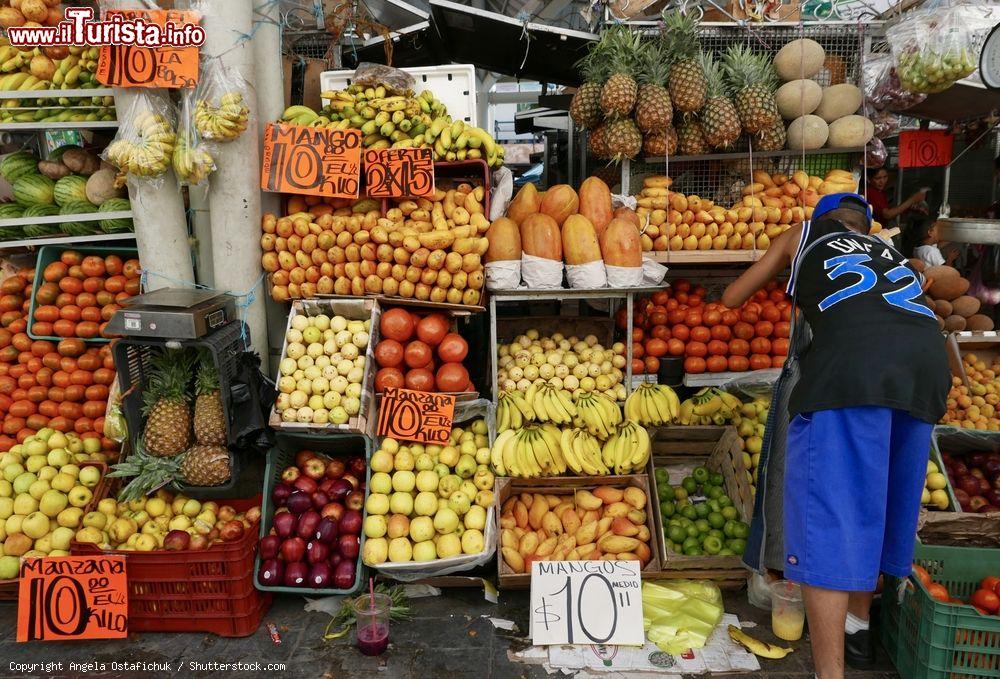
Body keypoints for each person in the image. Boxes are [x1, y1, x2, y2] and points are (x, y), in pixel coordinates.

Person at [722, 193, 949, 679]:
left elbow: (733, 297)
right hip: (926, 369)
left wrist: (793, 271)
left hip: (852, 373)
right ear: (865, 227)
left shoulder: (799, 235)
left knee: (831, 521)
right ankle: (859, 628)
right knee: (879, 506)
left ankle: (831, 675)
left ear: (818, 218)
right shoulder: (885, 251)